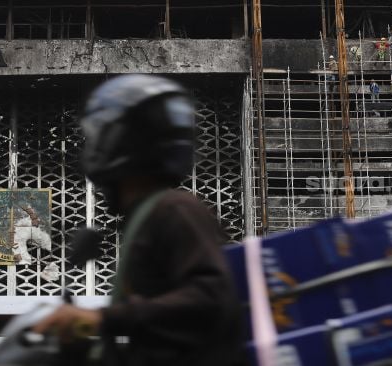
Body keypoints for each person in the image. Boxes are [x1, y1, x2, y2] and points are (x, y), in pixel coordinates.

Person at [33, 74, 244, 366]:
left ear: (125, 140)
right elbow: (152, 338)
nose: (93, 147)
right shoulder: (143, 218)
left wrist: (102, 318)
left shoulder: (175, 209)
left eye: (99, 135)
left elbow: (210, 296)